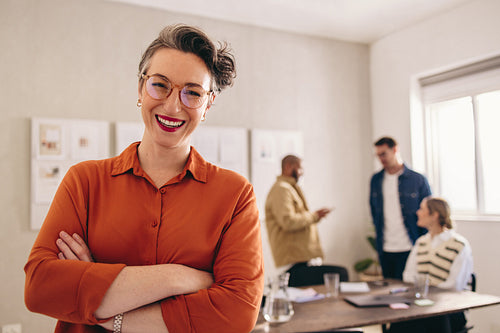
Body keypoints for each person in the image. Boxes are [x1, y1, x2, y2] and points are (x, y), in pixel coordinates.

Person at [24, 24, 264, 333]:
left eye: (193, 92)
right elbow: (40, 288)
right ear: (141, 89)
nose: (173, 105)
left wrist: (104, 306)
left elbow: (237, 314)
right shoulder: (84, 181)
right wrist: (179, 277)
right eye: (160, 85)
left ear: (208, 105)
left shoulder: (235, 194)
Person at [387, 197, 473, 333]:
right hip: (422, 305)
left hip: (449, 310)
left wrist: (425, 288)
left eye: (422, 209)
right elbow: (408, 275)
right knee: (399, 321)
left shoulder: (459, 245)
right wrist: (426, 289)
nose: (417, 212)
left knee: (426, 320)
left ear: (435, 215)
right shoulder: (421, 242)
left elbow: (454, 285)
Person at [265, 155, 333, 286]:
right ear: (289, 167)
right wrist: (314, 216)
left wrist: (315, 216)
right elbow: (288, 221)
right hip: (292, 262)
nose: (302, 172)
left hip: (301, 259)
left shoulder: (289, 188)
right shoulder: (281, 189)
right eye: (300, 168)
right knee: (339, 274)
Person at [369, 136, 431, 280]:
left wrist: (424, 245)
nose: (381, 159)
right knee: (388, 293)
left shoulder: (418, 179)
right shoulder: (376, 180)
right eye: (378, 155)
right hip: (386, 249)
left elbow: (429, 213)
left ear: (395, 150)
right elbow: (374, 211)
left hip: (411, 246)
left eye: (384, 154)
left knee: (409, 293)